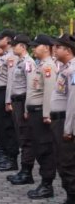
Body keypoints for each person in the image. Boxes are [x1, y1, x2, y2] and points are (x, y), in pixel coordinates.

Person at [25, 34, 57, 199]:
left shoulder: (48, 66)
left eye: (36, 46)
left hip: (41, 114)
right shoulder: (40, 65)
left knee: (45, 149)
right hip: (34, 112)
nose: (33, 48)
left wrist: (46, 114)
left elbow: (49, 92)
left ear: (45, 47)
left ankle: (47, 185)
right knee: (38, 147)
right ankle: (44, 183)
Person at [6, 34, 36, 185]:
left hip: (23, 101)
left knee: (26, 138)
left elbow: (31, 87)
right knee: (21, 136)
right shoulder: (20, 62)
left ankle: (27, 172)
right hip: (17, 101)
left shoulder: (28, 63)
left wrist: (26, 108)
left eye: (15, 44)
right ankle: (23, 170)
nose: (13, 47)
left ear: (23, 47)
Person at [0, 29, 19, 172]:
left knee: (7, 127)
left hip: (4, 93)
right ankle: (5, 153)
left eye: (0, 38)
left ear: (7, 40)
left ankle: (12, 158)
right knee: (0, 125)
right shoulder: (5, 56)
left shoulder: (12, 57)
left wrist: (8, 101)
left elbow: (11, 81)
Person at [51, 33, 75, 204]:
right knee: (62, 160)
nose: (55, 49)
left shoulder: (73, 70)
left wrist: (68, 129)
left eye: (58, 47)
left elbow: (73, 102)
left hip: (66, 122)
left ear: (67, 50)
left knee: (67, 163)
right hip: (58, 120)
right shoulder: (64, 68)